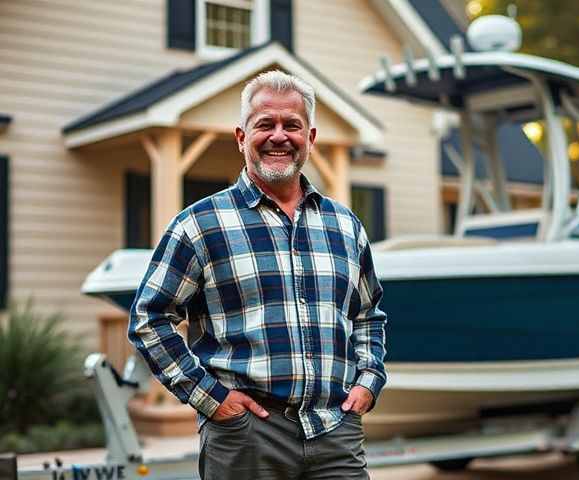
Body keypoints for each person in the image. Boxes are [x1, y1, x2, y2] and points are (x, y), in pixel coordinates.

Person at [128, 70, 387, 479]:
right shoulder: (199, 224)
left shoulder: (345, 225)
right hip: (246, 435)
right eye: (264, 124)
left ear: (311, 138)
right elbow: (149, 320)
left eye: (292, 125)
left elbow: (368, 314)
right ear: (240, 137)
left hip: (335, 429)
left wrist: (369, 380)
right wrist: (213, 399)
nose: (279, 136)